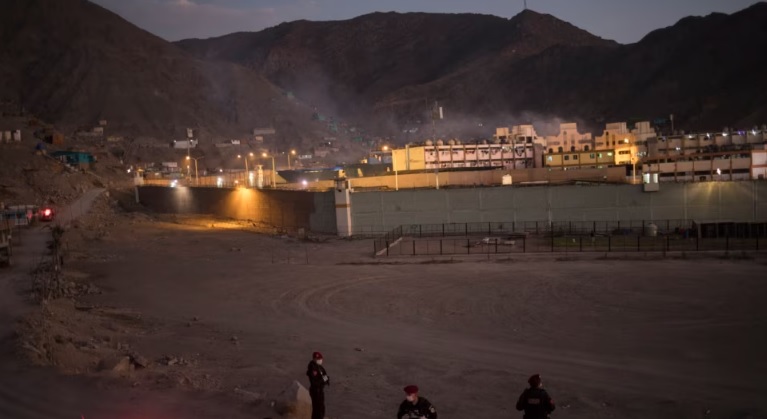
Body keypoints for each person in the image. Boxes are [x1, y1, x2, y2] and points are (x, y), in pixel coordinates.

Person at [306, 351, 330, 419]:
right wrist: (322, 380)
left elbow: (324, 375)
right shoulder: (313, 368)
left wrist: (326, 380)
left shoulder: (320, 368)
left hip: (320, 390)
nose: (320, 360)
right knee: (317, 409)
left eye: (320, 359)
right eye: (318, 359)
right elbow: (314, 382)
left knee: (321, 408)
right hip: (315, 391)